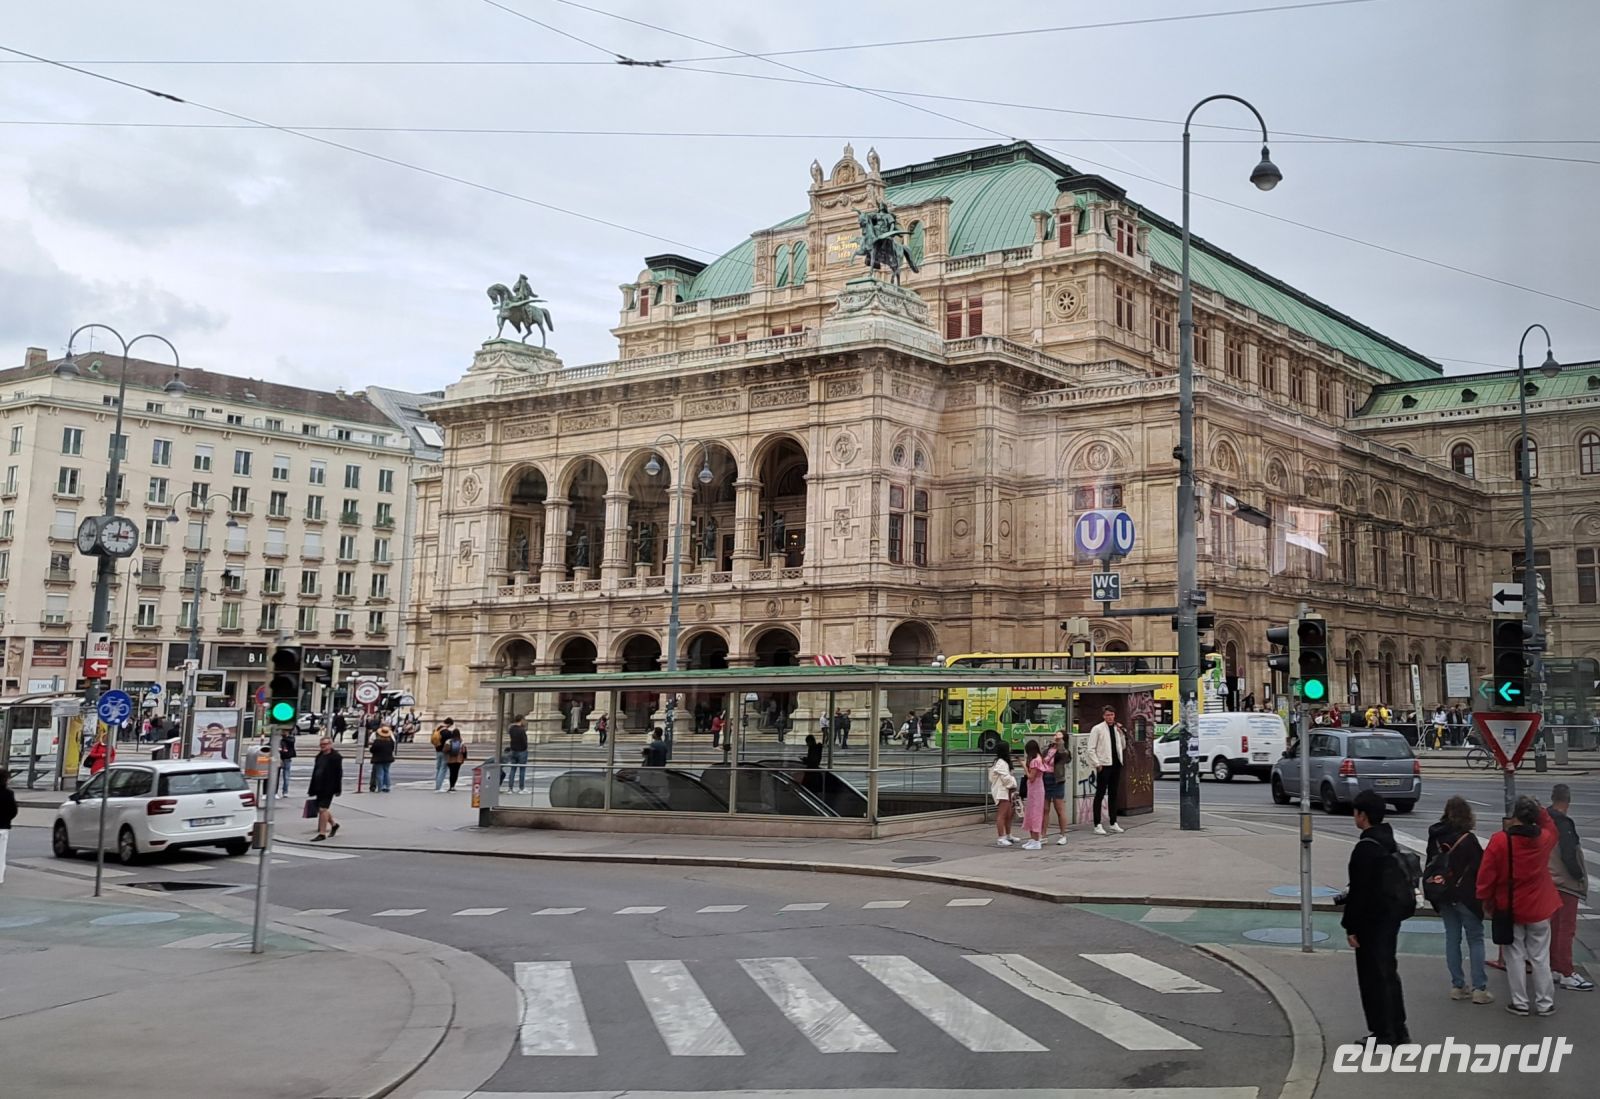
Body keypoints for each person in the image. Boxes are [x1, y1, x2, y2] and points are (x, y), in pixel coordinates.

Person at [1477, 795, 1562, 1016]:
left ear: (1514, 816)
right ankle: (1545, 1003)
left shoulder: (1500, 841)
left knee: (1514, 956)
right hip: (1540, 907)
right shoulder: (1544, 839)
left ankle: (1520, 1002)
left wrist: (1486, 900)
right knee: (1540, 956)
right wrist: (1540, 809)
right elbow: (1552, 827)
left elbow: (1486, 876)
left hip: (1510, 907)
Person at [1340, 790, 1410, 1045]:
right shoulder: (1387, 841)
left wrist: (1350, 926)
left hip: (1371, 923)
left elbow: (1360, 893)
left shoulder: (1365, 848)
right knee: (1389, 973)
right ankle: (1398, 1028)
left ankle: (1383, 1033)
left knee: (1372, 979)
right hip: (1390, 918)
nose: (1354, 817)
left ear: (1363, 816)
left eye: (1356, 812)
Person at [1426, 795, 1491, 1003]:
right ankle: (1479, 989)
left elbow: (1430, 864)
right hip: (1466, 896)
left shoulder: (1435, 837)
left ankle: (1457, 985)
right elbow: (1480, 869)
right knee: (1475, 938)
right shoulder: (1468, 839)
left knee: (1452, 937)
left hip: (1443, 893)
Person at [1546, 784, 1593, 991]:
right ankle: (1565, 971)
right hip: (1565, 883)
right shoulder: (1564, 823)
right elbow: (1569, 854)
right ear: (1568, 801)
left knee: (1554, 927)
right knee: (1566, 929)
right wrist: (1579, 876)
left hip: (1550, 881)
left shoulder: (1545, 819)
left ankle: (1554, 967)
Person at [1087, 706, 1125, 836]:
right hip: (1104, 764)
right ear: (1103, 716)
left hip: (1116, 763)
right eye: (1107, 715)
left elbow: (1122, 746)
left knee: (1113, 794)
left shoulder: (1116, 728)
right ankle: (1097, 824)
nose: (1110, 717)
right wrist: (1097, 764)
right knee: (1100, 794)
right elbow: (1091, 748)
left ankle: (1113, 822)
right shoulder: (1097, 729)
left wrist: (1121, 733)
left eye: (1112, 714)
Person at [1021, 739, 1057, 850]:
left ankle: (1036, 840)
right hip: (1035, 789)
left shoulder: (1034, 761)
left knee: (1035, 813)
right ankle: (1033, 839)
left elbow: (1031, 777)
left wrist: (1024, 767)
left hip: (1035, 790)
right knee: (1031, 813)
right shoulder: (1039, 759)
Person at [308, 737, 343, 841]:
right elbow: (315, 772)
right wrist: (312, 788)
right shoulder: (319, 756)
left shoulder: (336, 757)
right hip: (318, 786)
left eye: (325, 744)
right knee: (322, 809)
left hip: (329, 787)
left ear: (330, 744)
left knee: (322, 809)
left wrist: (338, 789)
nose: (323, 746)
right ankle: (334, 824)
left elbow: (339, 774)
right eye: (321, 744)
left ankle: (322, 833)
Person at [988, 743, 1019, 847]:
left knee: (1009, 814)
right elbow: (1005, 778)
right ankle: (1001, 837)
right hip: (1002, 791)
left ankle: (1008, 835)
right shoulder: (1001, 763)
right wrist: (1014, 783)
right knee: (1002, 814)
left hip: (1007, 791)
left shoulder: (1002, 762)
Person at [1045, 729, 1071, 845]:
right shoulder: (1048, 747)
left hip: (1057, 780)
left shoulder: (1064, 750)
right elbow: (1042, 756)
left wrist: (1060, 742)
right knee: (1045, 809)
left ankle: (1063, 834)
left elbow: (1063, 755)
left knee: (1059, 808)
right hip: (1045, 778)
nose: (1055, 736)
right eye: (1055, 734)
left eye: (1058, 735)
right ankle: (1043, 834)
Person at [503, 715, 529, 792]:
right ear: (521, 720)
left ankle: (510, 788)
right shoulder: (521, 730)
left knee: (513, 769)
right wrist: (525, 748)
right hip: (522, 751)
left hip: (513, 750)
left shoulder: (511, 729)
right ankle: (521, 788)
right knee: (522, 770)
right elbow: (524, 741)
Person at [369, 725, 396, 793]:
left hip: (378, 759)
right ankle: (386, 786)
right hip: (388, 759)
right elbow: (392, 749)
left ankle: (380, 788)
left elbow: (372, 750)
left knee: (380, 773)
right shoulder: (390, 741)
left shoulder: (377, 741)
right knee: (386, 772)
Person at [431, 718, 455, 792]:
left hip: (437, 751)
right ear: (449, 724)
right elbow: (450, 743)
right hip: (445, 752)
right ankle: (439, 787)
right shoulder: (447, 732)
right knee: (443, 769)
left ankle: (437, 785)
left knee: (438, 768)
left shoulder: (437, 729)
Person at [0, 769, 15, 885]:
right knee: (1, 854)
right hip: (3, 827)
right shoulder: (8, 793)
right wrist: (7, 819)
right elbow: (13, 810)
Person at [444, 726, 469, 792]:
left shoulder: (448, 741)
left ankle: (450, 786)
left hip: (450, 759)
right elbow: (464, 751)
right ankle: (453, 786)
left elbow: (445, 750)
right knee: (456, 773)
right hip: (458, 760)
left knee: (451, 773)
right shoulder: (461, 742)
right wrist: (464, 757)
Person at [276, 726, 297, 799]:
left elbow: (290, 742)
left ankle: (285, 792)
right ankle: (277, 792)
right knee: (277, 776)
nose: (282, 733)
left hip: (286, 758)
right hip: (280, 758)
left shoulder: (290, 739)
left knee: (286, 776)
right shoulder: (283, 739)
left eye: (284, 731)